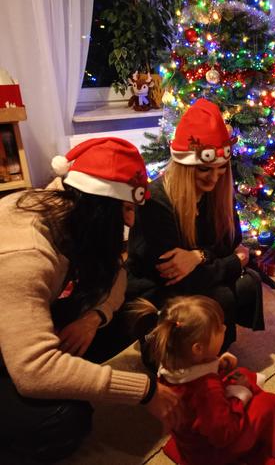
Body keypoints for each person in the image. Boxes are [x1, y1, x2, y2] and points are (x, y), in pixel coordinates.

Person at [0, 138, 181, 463]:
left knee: (134, 308)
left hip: (19, 327)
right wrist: (144, 390)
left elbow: (117, 274)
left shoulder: (69, 212)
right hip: (13, 353)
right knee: (64, 418)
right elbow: (33, 371)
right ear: (99, 206)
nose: (130, 222)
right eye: (126, 209)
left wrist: (94, 317)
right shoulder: (24, 254)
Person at [126, 98, 264, 355]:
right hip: (157, 286)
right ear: (185, 167)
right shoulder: (156, 201)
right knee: (219, 296)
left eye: (221, 169)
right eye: (203, 170)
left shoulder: (216, 190)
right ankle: (193, 356)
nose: (214, 178)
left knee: (248, 284)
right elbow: (178, 277)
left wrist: (199, 256)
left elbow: (230, 242)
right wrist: (233, 262)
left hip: (197, 275)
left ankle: (215, 350)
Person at [130, 294, 275, 465]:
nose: (225, 328)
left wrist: (219, 366)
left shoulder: (170, 365)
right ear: (198, 349)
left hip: (192, 439)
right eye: (219, 328)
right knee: (266, 404)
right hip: (214, 453)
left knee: (242, 374)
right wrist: (240, 395)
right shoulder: (206, 392)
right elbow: (225, 435)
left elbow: (194, 384)